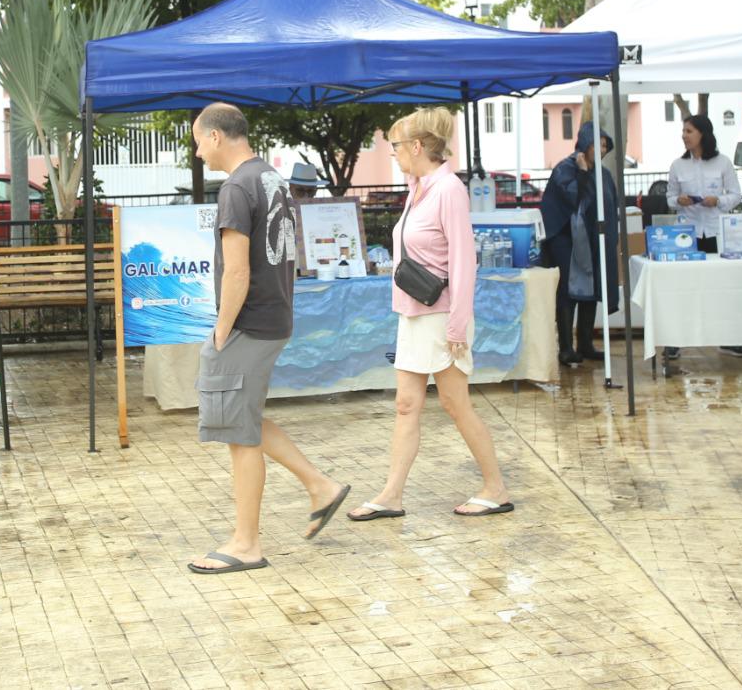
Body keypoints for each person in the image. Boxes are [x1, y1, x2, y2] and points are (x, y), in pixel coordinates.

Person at [186, 103, 349, 575]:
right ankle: (320, 486)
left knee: (238, 432)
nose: (198, 153)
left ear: (216, 137)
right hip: (273, 316)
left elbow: (236, 270)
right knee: (247, 420)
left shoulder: (237, 187)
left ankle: (246, 543)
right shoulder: (271, 179)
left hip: (248, 323)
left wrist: (220, 332)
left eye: (199, 141)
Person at [347, 108, 513, 523]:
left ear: (418, 147)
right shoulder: (419, 186)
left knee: (456, 404)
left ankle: (495, 488)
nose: (393, 154)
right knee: (407, 404)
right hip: (415, 313)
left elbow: (463, 260)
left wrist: (458, 322)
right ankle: (391, 494)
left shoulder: (448, 190)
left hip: (441, 315)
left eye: (397, 146)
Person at [665, 113, 742, 359]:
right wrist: (678, 201)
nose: (684, 136)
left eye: (689, 131)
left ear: (703, 134)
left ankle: (728, 339)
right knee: (684, 287)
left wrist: (718, 201)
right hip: (687, 234)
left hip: (715, 232)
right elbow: (670, 197)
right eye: (683, 131)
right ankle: (676, 340)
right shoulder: (677, 165)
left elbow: (735, 195)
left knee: (722, 285)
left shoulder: (722, 162)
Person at [540, 122, 621, 367]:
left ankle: (585, 344)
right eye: (599, 144)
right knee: (568, 290)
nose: (603, 150)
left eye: (606, 146)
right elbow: (573, 198)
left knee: (592, 288)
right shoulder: (566, 169)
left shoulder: (604, 173)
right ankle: (565, 348)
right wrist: (583, 172)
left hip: (594, 240)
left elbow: (610, 206)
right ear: (585, 143)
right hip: (567, 242)